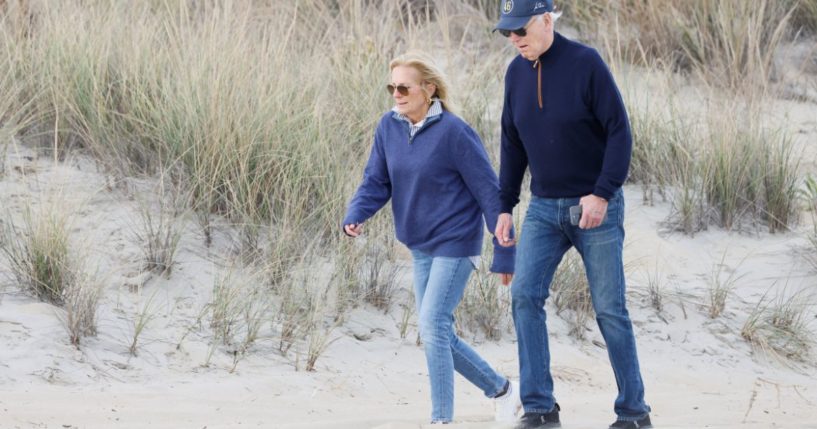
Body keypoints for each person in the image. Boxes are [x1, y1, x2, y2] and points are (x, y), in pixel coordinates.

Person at [492, 1, 652, 429]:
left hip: (593, 206)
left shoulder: (586, 63)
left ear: (547, 20)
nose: (515, 40)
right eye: (508, 33)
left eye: (521, 30)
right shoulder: (514, 74)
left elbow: (619, 130)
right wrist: (505, 205)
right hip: (543, 208)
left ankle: (634, 413)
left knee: (609, 309)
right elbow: (512, 143)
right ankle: (540, 409)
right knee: (524, 296)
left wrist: (602, 193)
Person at [342, 51, 521, 424]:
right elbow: (377, 180)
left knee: (434, 325)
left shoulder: (454, 132)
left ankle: (442, 420)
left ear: (429, 89)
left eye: (404, 87)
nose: (396, 93)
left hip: (456, 243)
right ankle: (504, 390)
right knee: (436, 331)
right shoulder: (388, 127)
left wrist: (505, 252)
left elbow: (490, 192)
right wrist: (357, 213)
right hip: (420, 246)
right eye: (392, 87)